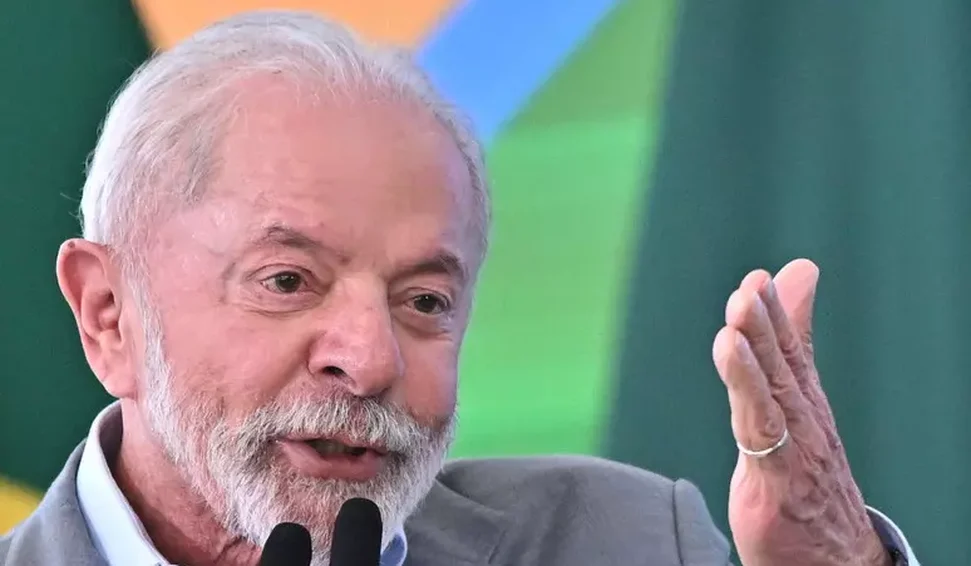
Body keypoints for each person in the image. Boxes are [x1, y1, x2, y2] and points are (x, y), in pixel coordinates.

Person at [0, 10, 918, 566]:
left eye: (425, 302)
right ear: (109, 315)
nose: (370, 360)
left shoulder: (623, 540)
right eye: (287, 281)